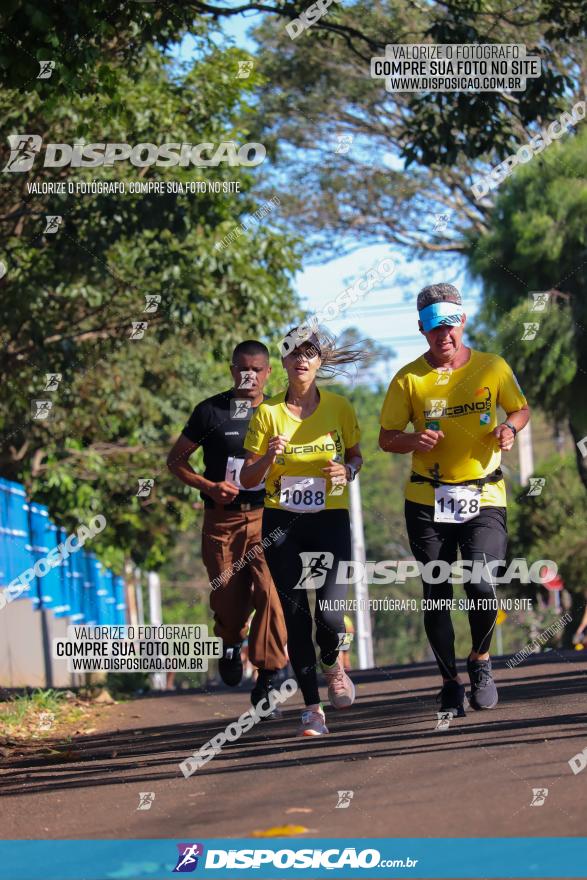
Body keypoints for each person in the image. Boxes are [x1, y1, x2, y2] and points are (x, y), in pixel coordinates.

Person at [379, 283, 530, 716]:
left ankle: (480, 660)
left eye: (450, 323)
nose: (444, 334)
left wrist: (510, 429)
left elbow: (520, 409)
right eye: (433, 327)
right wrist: (414, 439)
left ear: (462, 321)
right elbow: (386, 438)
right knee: (437, 592)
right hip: (428, 499)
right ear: (421, 330)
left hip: (483, 494)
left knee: (482, 585)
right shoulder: (409, 378)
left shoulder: (492, 367)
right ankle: (449, 681)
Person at [240, 326, 364, 736]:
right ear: (285, 362)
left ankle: (333, 663)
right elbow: (247, 477)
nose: (301, 359)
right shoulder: (267, 413)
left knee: (329, 614)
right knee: (295, 614)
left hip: (329, 518)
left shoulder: (340, 409)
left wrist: (345, 470)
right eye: (293, 352)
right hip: (282, 523)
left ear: (319, 361)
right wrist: (269, 458)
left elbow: (357, 457)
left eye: (309, 353)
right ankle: (312, 708)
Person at [167, 340, 288, 717]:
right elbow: (176, 461)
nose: (249, 375)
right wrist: (209, 486)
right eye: (242, 368)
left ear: (268, 372)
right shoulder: (210, 411)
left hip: (269, 515)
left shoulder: (281, 411)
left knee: (272, 592)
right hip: (222, 520)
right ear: (232, 370)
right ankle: (232, 642)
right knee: (229, 600)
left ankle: (268, 674)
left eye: (257, 369)